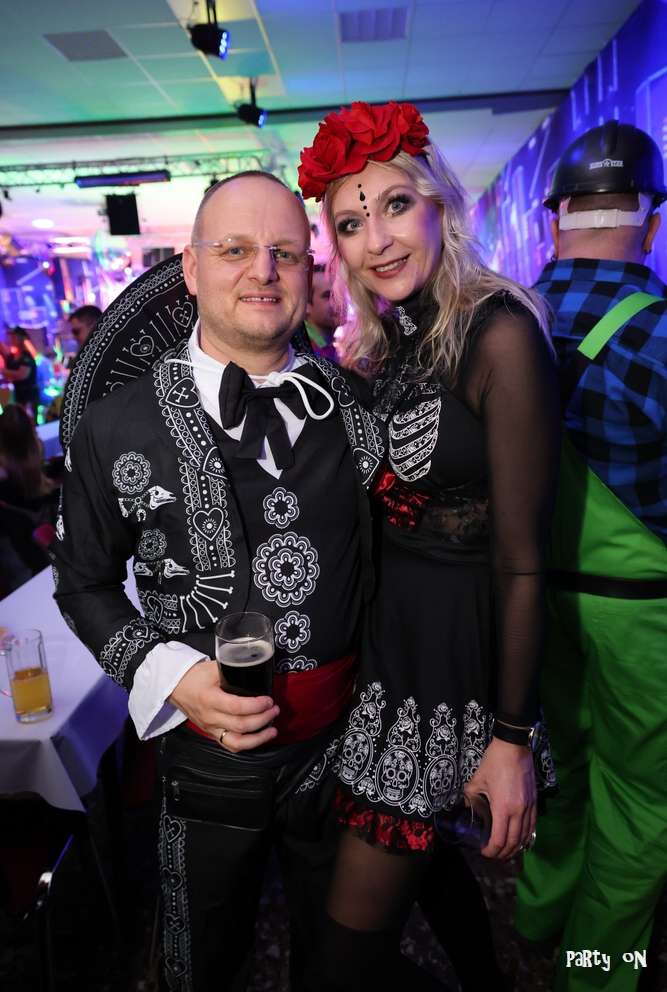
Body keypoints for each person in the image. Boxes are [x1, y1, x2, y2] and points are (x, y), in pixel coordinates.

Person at [50, 170, 386, 992]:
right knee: (199, 960)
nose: (262, 270)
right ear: (192, 268)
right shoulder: (112, 424)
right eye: (235, 250)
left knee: (338, 958)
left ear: (308, 272)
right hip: (202, 761)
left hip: (343, 752)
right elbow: (81, 582)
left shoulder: (356, 407)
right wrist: (173, 675)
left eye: (284, 253)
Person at [297, 101, 560, 991]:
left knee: (340, 958)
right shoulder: (387, 344)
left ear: (439, 202)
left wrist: (510, 740)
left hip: (447, 670)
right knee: (418, 864)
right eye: (349, 222)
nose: (375, 239)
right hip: (388, 654)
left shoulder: (499, 331)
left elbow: (522, 559)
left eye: (395, 205)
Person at [514, 121, 667, 992]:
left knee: (562, 768)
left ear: (554, 218)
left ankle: (537, 919)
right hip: (641, 620)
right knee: (642, 803)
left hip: (534, 604)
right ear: (651, 223)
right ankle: (594, 975)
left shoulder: (507, 320)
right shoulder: (659, 334)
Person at [0, 327, 40, 414]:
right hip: (19, 394)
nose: (11, 339)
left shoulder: (26, 356)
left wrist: (3, 371)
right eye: (11, 337)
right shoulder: (14, 356)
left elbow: (22, 375)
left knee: (27, 418)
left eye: (14, 337)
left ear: (21, 338)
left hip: (28, 395)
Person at [305, 262, 339, 361]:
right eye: (328, 296)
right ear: (306, 305)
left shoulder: (327, 345)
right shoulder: (305, 350)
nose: (339, 302)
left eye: (340, 293)